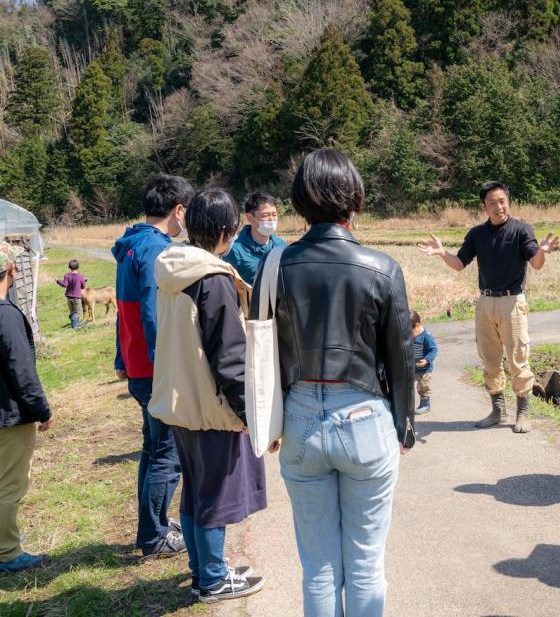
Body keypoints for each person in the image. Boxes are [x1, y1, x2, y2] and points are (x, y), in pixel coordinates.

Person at [251, 149, 414, 617]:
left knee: (319, 567)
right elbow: (401, 357)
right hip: (364, 417)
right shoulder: (381, 267)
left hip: (301, 416)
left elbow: (267, 348)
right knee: (364, 563)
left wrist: (276, 416)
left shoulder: (274, 265)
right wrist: (405, 425)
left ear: (301, 202)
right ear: (354, 201)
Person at [150, 188, 267, 602]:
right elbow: (230, 360)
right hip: (209, 405)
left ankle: (203, 569)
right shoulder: (214, 279)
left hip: (180, 401)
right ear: (225, 230)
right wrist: (253, 417)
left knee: (196, 490)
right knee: (216, 496)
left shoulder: (173, 270)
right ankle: (214, 579)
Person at [417, 181, 559, 433]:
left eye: (502, 201)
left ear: (509, 202)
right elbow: (460, 263)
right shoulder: (477, 234)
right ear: (484, 207)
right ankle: (497, 411)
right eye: (492, 202)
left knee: (518, 359)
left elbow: (535, 263)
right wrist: (441, 253)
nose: (498, 206)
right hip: (485, 302)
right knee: (490, 360)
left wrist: (543, 251)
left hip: (512, 301)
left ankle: (523, 413)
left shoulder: (521, 230)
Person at [112, 173, 194, 560]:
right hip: (154, 368)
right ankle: (154, 536)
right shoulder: (157, 250)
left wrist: (120, 358)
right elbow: (151, 312)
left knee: (152, 447)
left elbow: (121, 310)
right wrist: (168, 368)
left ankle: (152, 525)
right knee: (168, 453)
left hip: (137, 363)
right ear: (178, 211)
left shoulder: (131, 244)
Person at [0, 242, 53, 573]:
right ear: (10, 270)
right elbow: (22, 370)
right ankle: (6, 553)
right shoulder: (5, 314)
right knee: (9, 485)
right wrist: (42, 410)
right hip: (7, 416)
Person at [223, 191, 288, 286]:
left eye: (274, 215)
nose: (271, 220)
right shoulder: (234, 250)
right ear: (250, 218)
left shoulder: (282, 246)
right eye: (265, 215)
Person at [411, 310, 438, 415]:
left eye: (409, 331)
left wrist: (427, 359)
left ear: (417, 325)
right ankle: (407, 405)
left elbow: (434, 349)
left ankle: (425, 405)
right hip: (412, 368)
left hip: (424, 370)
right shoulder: (409, 335)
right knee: (406, 386)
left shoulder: (426, 336)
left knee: (423, 387)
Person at [55, 259, 87, 329]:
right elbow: (83, 286)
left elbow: (64, 284)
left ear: (69, 267)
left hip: (69, 297)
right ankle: (75, 326)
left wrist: (58, 281)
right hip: (77, 298)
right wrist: (84, 281)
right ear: (78, 267)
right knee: (78, 313)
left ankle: (75, 323)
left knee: (72, 312)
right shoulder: (80, 276)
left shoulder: (67, 275)